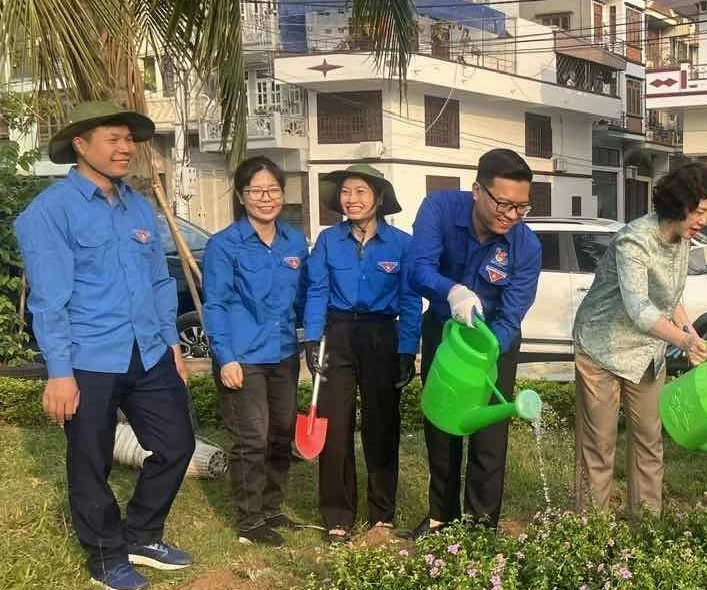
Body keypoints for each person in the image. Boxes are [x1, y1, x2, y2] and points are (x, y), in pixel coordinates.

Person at [16, 101, 195, 590]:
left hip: (149, 350)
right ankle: (105, 556)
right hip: (88, 356)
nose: (125, 148)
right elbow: (49, 299)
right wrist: (59, 372)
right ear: (80, 144)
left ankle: (141, 534)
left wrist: (173, 344)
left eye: (128, 139)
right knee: (89, 460)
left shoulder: (137, 205)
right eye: (112, 139)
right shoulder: (51, 212)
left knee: (176, 444)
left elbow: (160, 281)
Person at [403, 149, 541, 538]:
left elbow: (513, 313)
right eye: (504, 203)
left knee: (488, 436)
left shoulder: (526, 247)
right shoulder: (440, 209)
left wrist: (482, 355)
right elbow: (418, 270)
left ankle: (481, 527)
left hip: (495, 344)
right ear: (478, 190)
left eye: (521, 207)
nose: (512, 215)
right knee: (442, 425)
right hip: (445, 334)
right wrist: (453, 291)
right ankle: (441, 518)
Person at [573, 163, 707, 516]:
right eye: (699, 211)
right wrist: (683, 344)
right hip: (601, 347)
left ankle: (648, 524)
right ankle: (589, 531)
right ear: (678, 202)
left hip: (647, 353)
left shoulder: (683, 239)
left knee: (649, 441)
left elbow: (671, 299)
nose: (704, 220)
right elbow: (638, 308)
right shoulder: (634, 240)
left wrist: (691, 333)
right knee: (599, 444)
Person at [303, 164, 421, 544]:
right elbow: (317, 290)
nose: (350, 200)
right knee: (334, 426)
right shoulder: (327, 241)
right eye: (345, 193)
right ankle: (338, 514)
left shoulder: (402, 244)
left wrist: (406, 350)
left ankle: (382, 513)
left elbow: (409, 300)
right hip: (337, 333)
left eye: (360, 192)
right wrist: (311, 337)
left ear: (379, 199)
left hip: (380, 335)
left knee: (382, 426)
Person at [202, 157, 308, 547]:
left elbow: (304, 296)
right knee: (253, 437)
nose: (266, 198)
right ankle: (249, 521)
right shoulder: (224, 245)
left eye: (273, 190)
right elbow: (214, 303)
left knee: (281, 434)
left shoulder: (294, 242)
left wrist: (314, 334)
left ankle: (272, 507)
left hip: (282, 352)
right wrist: (225, 356)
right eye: (256, 191)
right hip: (242, 355)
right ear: (242, 197)